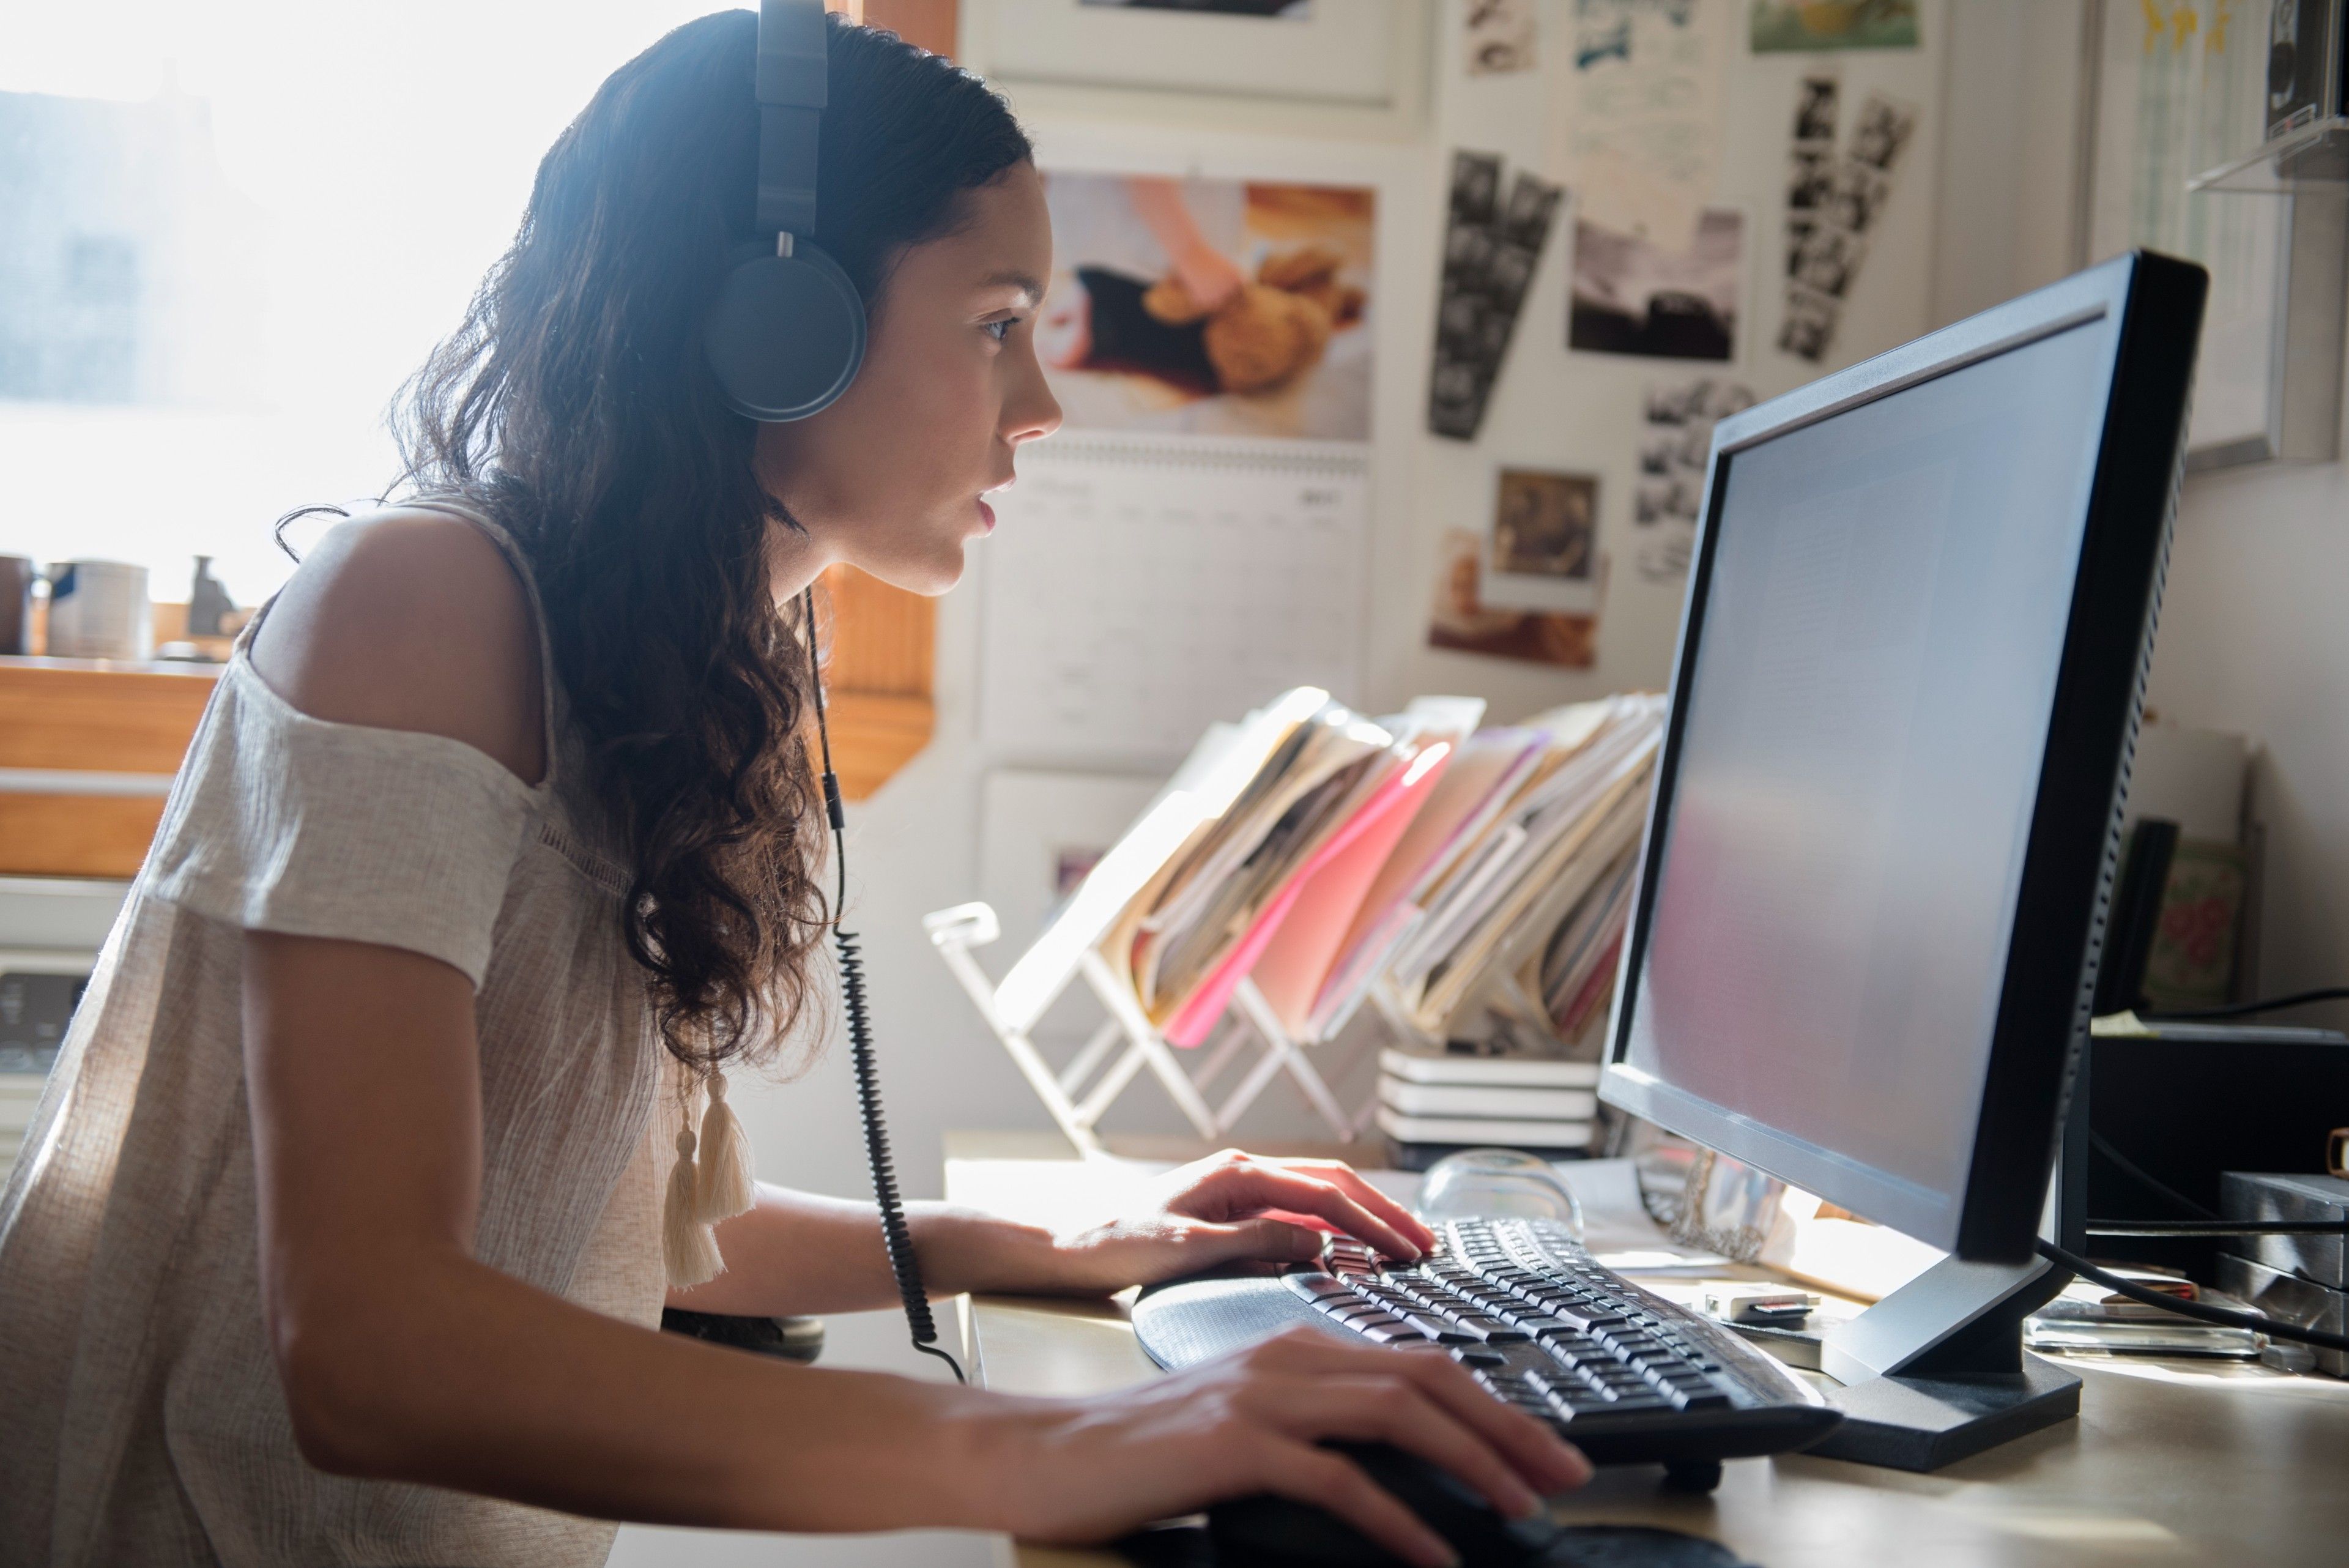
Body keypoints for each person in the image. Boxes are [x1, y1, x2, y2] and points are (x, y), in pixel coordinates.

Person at [0, 13, 1589, 1567]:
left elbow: (620, 1230)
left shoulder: (697, 671)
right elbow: (371, 1341)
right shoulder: (416, 611)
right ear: (777, 326)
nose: (1039, 402)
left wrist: (1052, 1238)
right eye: (992, 321)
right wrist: (1062, 1442)